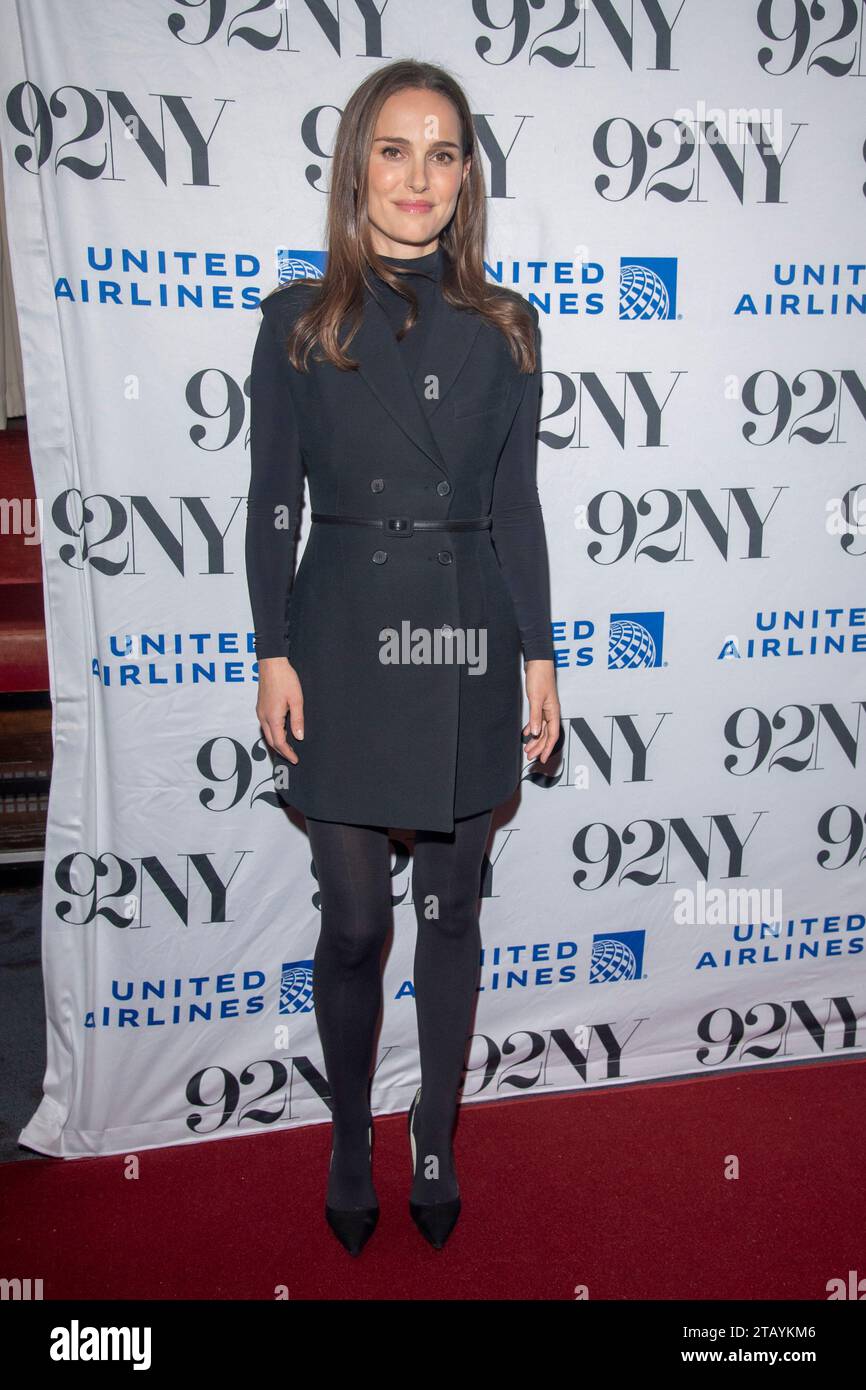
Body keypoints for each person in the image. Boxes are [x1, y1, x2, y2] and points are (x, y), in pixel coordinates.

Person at [245, 59, 561, 1255]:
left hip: (469, 630)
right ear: (356, 167)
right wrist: (270, 646)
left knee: (450, 905)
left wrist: (539, 654)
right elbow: (272, 501)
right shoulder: (296, 317)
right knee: (354, 923)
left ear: (464, 176)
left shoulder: (507, 324)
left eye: (441, 153)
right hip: (338, 635)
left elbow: (516, 505)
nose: (416, 176)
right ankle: (344, 1136)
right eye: (393, 148)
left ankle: (434, 1128)